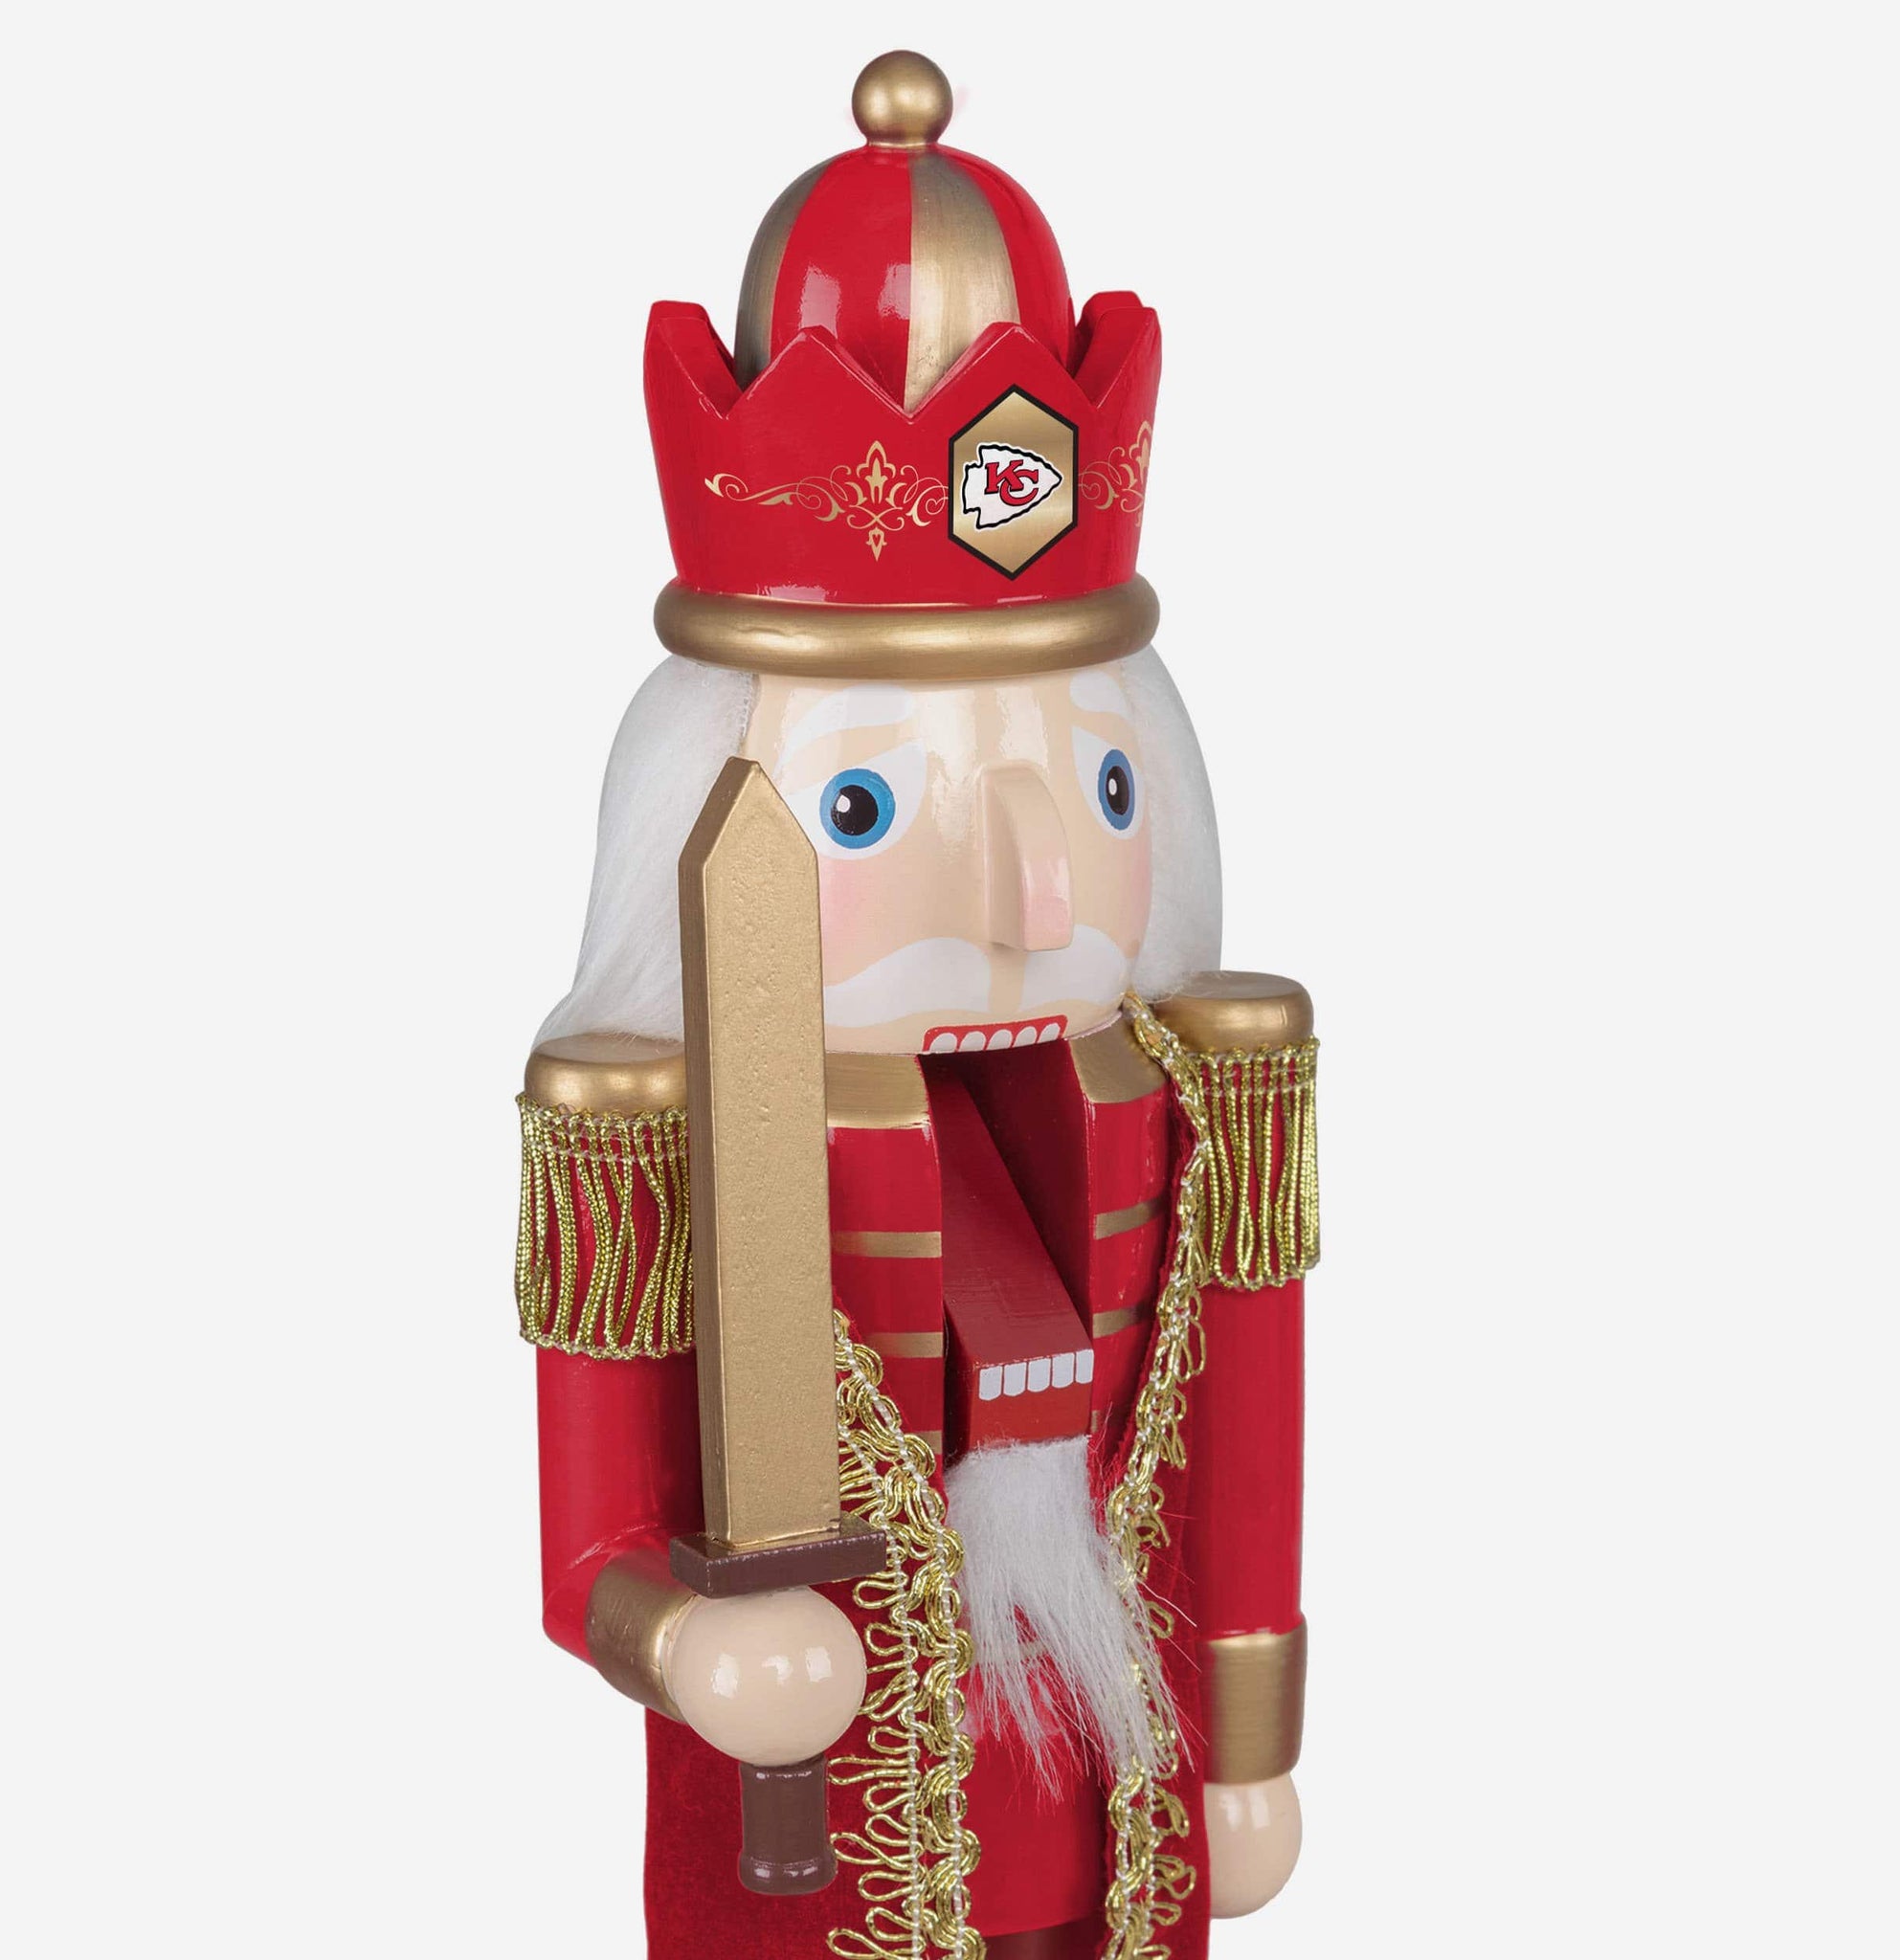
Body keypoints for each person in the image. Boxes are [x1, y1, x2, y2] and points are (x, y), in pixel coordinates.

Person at [515, 52, 1320, 1960]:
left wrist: (1250, 1743)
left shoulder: (1200, 1096)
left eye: (1101, 793)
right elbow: (590, 1533)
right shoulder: (646, 1132)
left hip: (1116, 1818)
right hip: (827, 1850)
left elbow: (1242, 1449)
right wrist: (689, 1643)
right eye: (869, 811)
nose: (1033, 902)